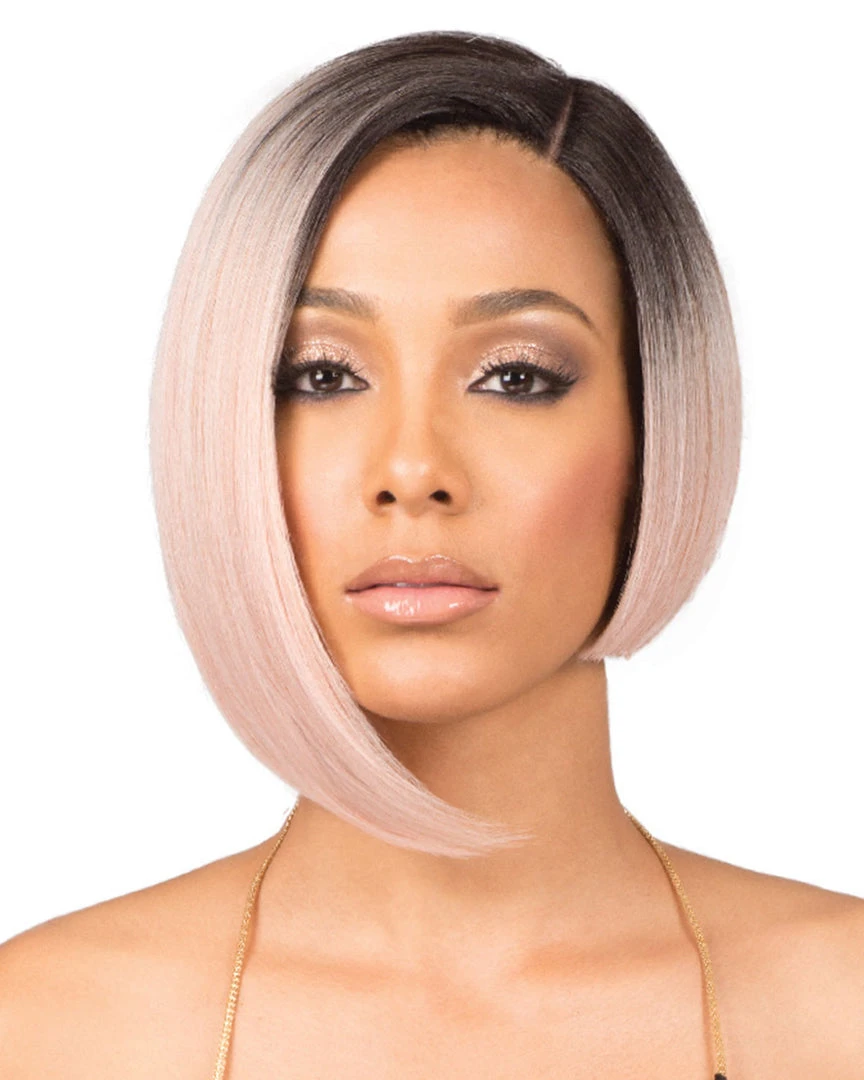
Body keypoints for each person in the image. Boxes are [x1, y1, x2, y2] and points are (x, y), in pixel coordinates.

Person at [1, 29, 862, 1078]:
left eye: (516, 376)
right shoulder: (44, 1029)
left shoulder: (843, 1010)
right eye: (322, 376)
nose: (412, 471)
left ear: (659, 426)